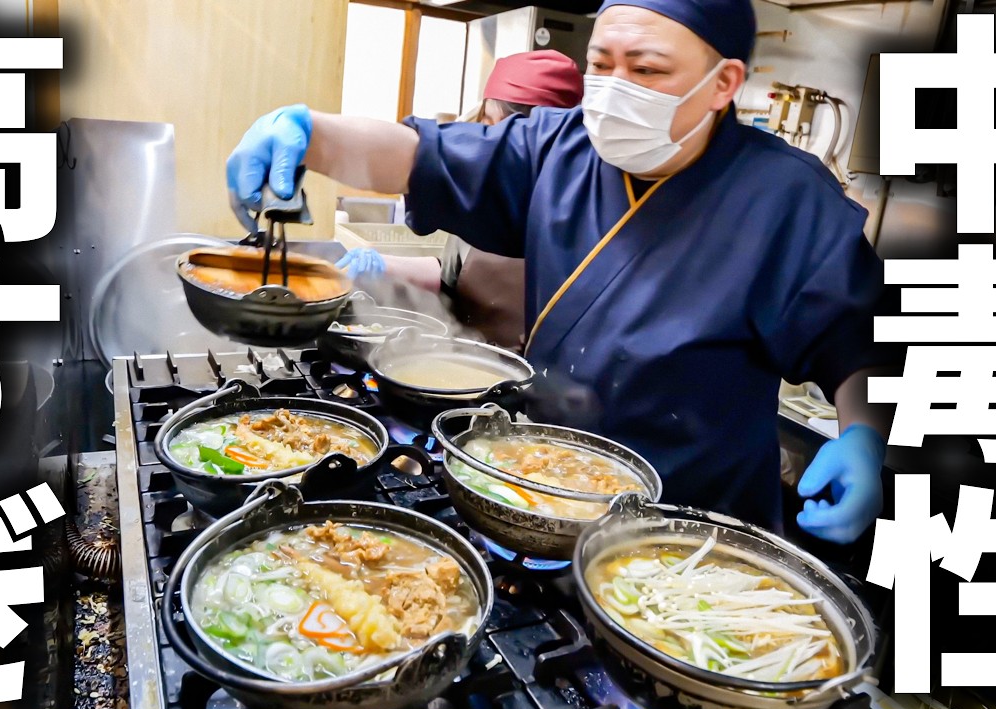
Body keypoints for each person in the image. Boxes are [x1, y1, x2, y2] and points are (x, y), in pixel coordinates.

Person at [226, 0, 893, 544]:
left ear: (723, 83)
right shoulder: (559, 146)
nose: (613, 89)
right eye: (600, 63)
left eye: (648, 68)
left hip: (689, 521)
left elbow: (855, 341)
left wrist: (863, 433)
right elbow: (421, 155)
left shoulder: (784, 196)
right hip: (539, 487)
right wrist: (309, 133)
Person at [337, 50, 584, 351]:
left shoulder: (580, 218)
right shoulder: (477, 200)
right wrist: (384, 265)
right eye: (486, 124)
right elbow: (449, 278)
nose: (485, 141)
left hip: (536, 385)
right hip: (465, 369)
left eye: (497, 129)